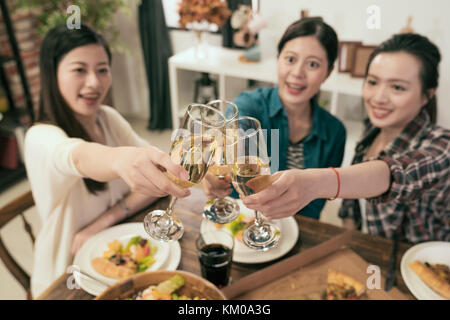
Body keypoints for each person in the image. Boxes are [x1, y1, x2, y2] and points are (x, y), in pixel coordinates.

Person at [24, 24, 191, 298]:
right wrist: (121, 159)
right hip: (66, 280)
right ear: (52, 75)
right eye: (79, 70)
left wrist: (105, 219)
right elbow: (77, 156)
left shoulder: (107, 118)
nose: (94, 82)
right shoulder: (40, 137)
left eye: (102, 69)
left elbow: (154, 180)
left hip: (119, 255)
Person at [242, 33, 449, 244]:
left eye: (397, 87)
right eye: (373, 82)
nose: (379, 98)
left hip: (422, 269)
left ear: (427, 95)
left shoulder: (442, 146)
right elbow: (351, 211)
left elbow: (398, 174)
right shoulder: (371, 134)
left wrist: (313, 184)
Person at [201, 17, 346, 220]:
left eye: (312, 64)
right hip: (244, 220)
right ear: (278, 59)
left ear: (328, 72)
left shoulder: (335, 131)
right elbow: (228, 143)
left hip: (298, 228)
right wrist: (214, 171)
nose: (297, 73)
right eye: (290, 59)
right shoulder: (248, 106)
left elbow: (316, 204)